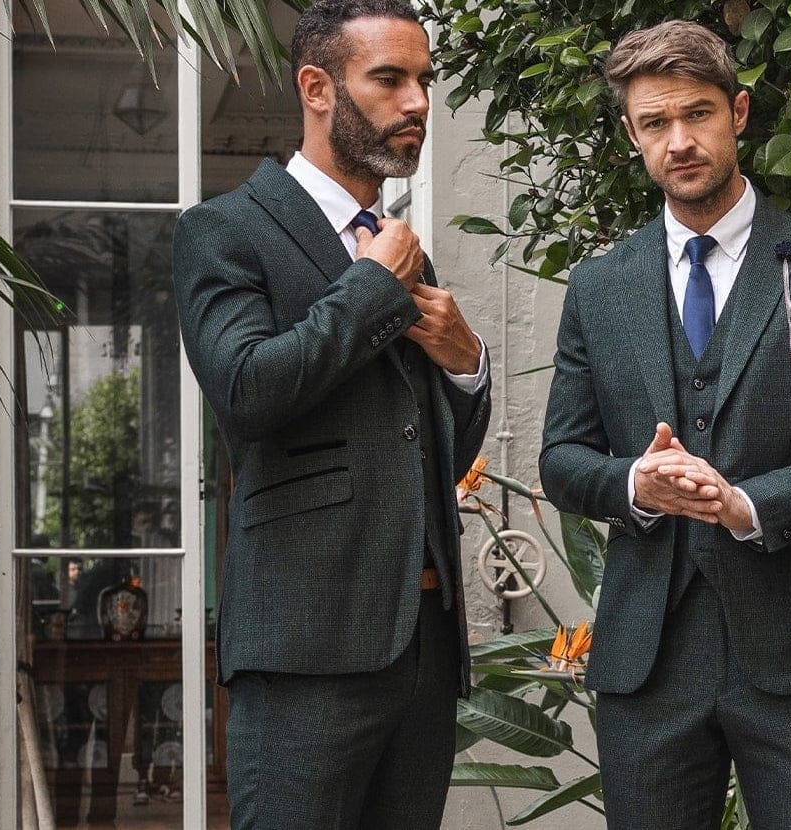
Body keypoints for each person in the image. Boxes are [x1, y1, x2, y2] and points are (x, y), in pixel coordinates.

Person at [539, 20, 791, 830]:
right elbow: (562, 459)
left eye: (697, 115)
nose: (680, 141)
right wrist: (637, 481)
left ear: (738, 113)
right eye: (654, 124)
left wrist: (748, 504)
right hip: (649, 654)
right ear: (632, 136)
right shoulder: (601, 288)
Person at [171, 0, 490, 825]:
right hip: (305, 646)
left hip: (421, 637)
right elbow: (247, 389)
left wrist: (466, 367)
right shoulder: (224, 232)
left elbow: (430, 454)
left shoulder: (395, 242)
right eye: (389, 79)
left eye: (423, 79)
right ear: (317, 87)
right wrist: (374, 286)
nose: (417, 102)